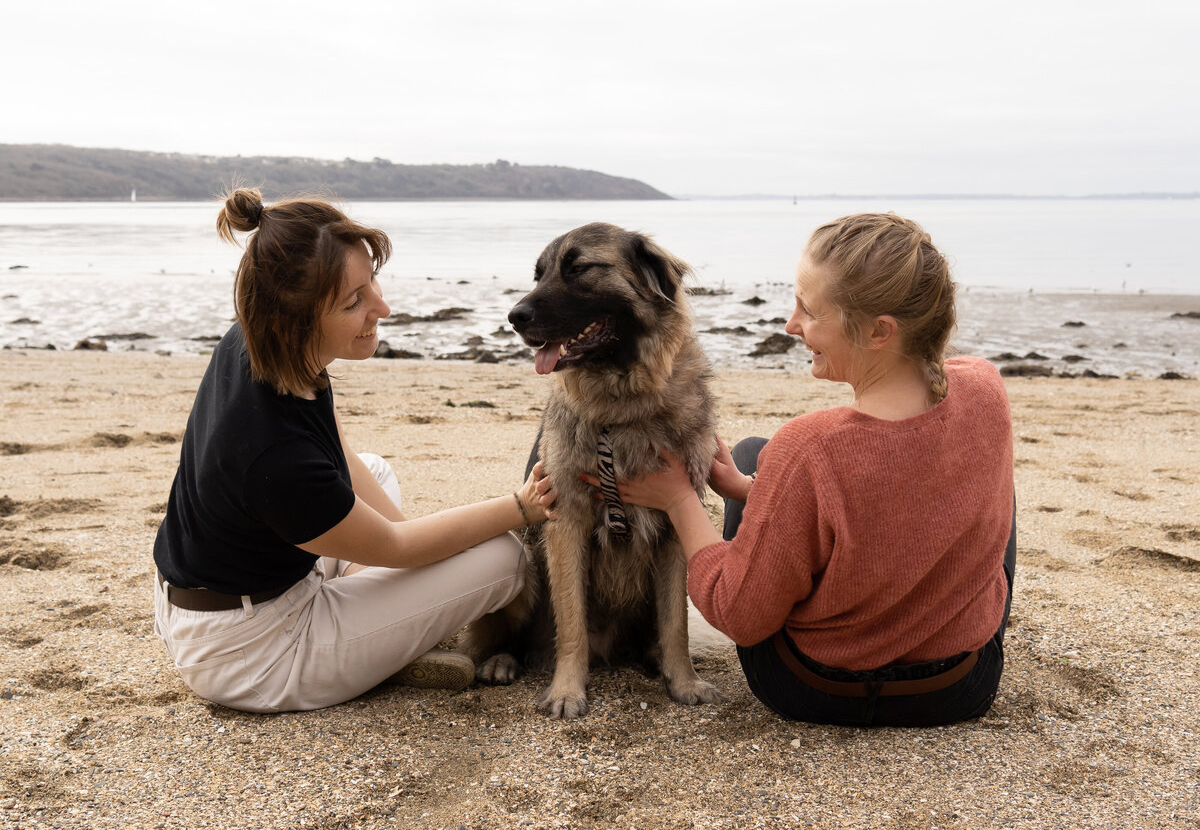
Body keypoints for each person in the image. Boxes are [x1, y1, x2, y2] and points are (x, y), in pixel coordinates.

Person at [152, 187, 554, 713]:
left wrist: (415, 569)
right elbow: (397, 545)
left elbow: (341, 455)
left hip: (236, 592)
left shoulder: (260, 341)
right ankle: (383, 646)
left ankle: (386, 636)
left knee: (374, 471)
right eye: (354, 301)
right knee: (505, 559)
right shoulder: (275, 456)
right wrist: (517, 508)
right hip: (254, 653)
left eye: (372, 284)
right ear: (293, 319)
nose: (382, 308)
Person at [609, 212, 1016, 727]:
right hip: (958, 687)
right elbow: (898, 489)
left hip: (815, 690)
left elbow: (737, 615)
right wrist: (746, 489)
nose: (790, 324)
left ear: (878, 331)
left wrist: (679, 501)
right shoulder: (984, 387)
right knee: (978, 468)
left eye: (809, 309)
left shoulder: (808, 448)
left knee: (766, 452)